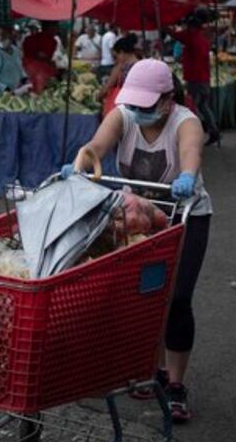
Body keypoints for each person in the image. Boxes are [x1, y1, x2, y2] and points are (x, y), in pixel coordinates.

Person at [67, 59, 212, 422]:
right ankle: (155, 369)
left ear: (167, 98)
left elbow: (192, 151)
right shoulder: (124, 115)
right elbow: (97, 145)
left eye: (147, 105)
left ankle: (176, 385)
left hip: (185, 216)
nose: (138, 111)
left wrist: (189, 175)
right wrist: (82, 164)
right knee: (146, 296)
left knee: (177, 298)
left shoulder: (184, 121)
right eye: (134, 104)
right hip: (136, 215)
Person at [170, 12, 220, 145]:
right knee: (203, 106)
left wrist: (165, 26)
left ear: (191, 26)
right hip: (204, 77)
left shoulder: (191, 36)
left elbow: (175, 35)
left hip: (195, 78)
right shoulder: (204, 38)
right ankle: (213, 130)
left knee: (193, 106)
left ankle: (194, 132)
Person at [96, 34, 141, 117]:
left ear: (122, 52)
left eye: (116, 56)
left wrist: (98, 97)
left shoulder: (121, 67)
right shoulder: (142, 65)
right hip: (138, 108)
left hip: (122, 108)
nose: (116, 60)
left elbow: (107, 87)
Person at [0, 25, 26, 94]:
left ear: (11, 37)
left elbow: (20, 68)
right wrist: (5, 89)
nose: (1, 38)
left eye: (5, 36)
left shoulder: (16, 51)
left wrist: (24, 79)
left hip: (14, 91)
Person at [21, 21, 59, 93]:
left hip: (43, 70)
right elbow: (39, 55)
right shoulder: (30, 39)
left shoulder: (54, 42)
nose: (57, 29)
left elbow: (47, 57)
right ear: (48, 28)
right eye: (55, 27)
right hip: (33, 70)